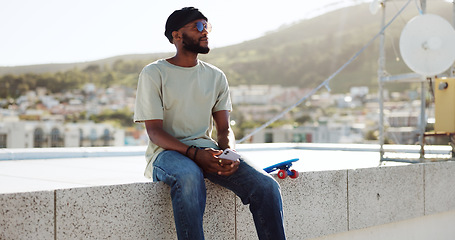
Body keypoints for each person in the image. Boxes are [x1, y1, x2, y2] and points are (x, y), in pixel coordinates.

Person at [134, 7, 286, 240]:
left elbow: (224, 128)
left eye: (207, 26)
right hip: (165, 154)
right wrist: (194, 154)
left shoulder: (216, 76)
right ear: (176, 36)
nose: (206, 32)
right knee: (189, 176)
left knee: (266, 186)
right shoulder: (154, 73)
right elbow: (154, 132)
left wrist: (229, 152)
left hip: (207, 149)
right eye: (198, 26)